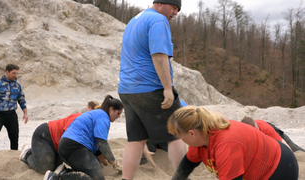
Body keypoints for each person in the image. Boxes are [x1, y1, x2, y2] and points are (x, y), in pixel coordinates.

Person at [118, 0, 187, 179]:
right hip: (150, 88)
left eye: (177, 9)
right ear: (162, 3)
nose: (176, 13)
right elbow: (158, 55)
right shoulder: (158, 20)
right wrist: (167, 88)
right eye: (174, 7)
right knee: (176, 134)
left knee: (135, 139)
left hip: (127, 90)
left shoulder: (134, 20)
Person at [168, 106, 299, 180]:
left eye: (178, 134)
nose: (178, 138)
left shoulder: (226, 145)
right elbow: (188, 163)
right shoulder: (202, 136)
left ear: (192, 133)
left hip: (280, 168)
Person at [44, 95, 123, 180]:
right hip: (74, 146)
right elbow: (102, 144)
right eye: (118, 113)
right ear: (111, 109)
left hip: (68, 144)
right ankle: (56, 178)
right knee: (98, 178)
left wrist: (106, 161)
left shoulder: (97, 113)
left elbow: (97, 145)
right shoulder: (103, 117)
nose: (119, 117)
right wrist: (114, 162)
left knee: (94, 168)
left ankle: (64, 172)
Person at [19, 101, 108, 174]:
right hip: (45, 136)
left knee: (56, 167)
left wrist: (109, 163)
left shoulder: (97, 130)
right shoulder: (78, 118)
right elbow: (67, 139)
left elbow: (98, 152)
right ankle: (27, 153)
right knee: (44, 169)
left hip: (59, 146)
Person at [0, 64, 28, 150]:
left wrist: (25, 113)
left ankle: (13, 160)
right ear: (7, 72)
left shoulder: (17, 86)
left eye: (16, 73)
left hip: (11, 115)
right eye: (13, 73)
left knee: (14, 138)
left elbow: (21, 99)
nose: (15, 75)